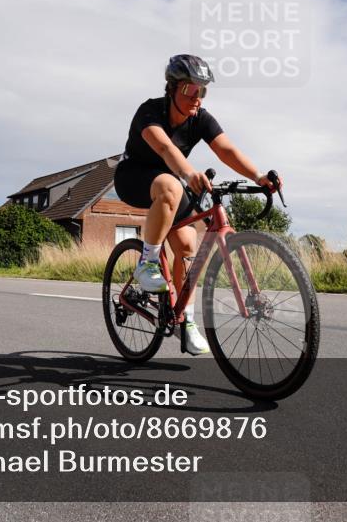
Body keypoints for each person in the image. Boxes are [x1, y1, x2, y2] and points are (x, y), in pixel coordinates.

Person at [113, 54, 282, 355]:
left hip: (171, 184)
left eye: (202, 91)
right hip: (133, 178)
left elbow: (226, 149)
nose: (197, 98)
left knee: (187, 246)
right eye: (191, 90)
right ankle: (147, 263)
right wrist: (189, 173)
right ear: (172, 88)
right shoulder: (150, 112)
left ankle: (185, 321)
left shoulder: (200, 118)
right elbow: (165, 148)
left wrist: (258, 176)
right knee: (169, 185)